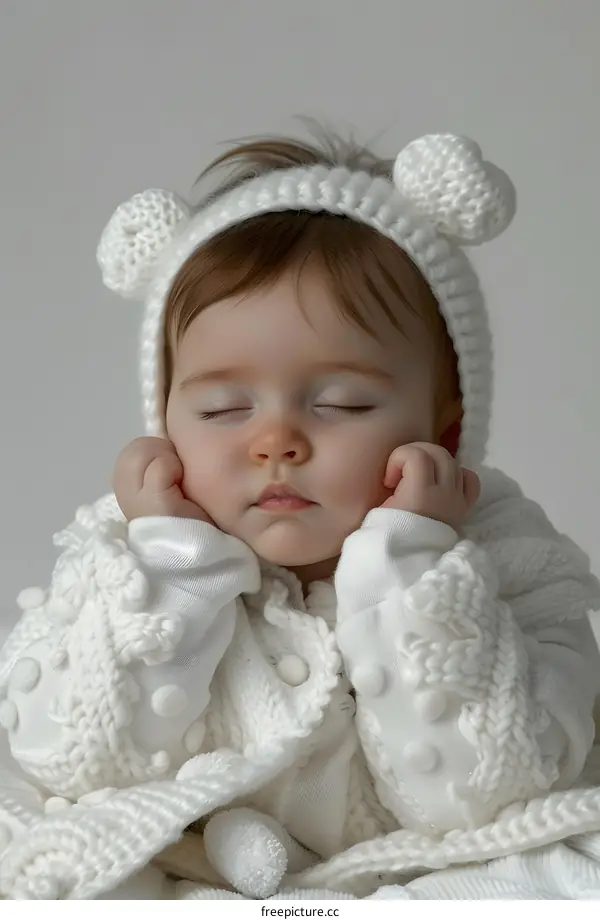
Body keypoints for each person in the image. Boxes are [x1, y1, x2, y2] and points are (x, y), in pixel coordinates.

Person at [0, 126, 599, 901]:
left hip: (438, 873)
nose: (275, 440)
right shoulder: (129, 550)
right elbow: (72, 759)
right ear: (167, 423)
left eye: (341, 402)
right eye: (222, 408)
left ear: (444, 431)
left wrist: (412, 567)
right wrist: (170, 567)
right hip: (182, 861)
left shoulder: (507, 556)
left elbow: (490, 794)